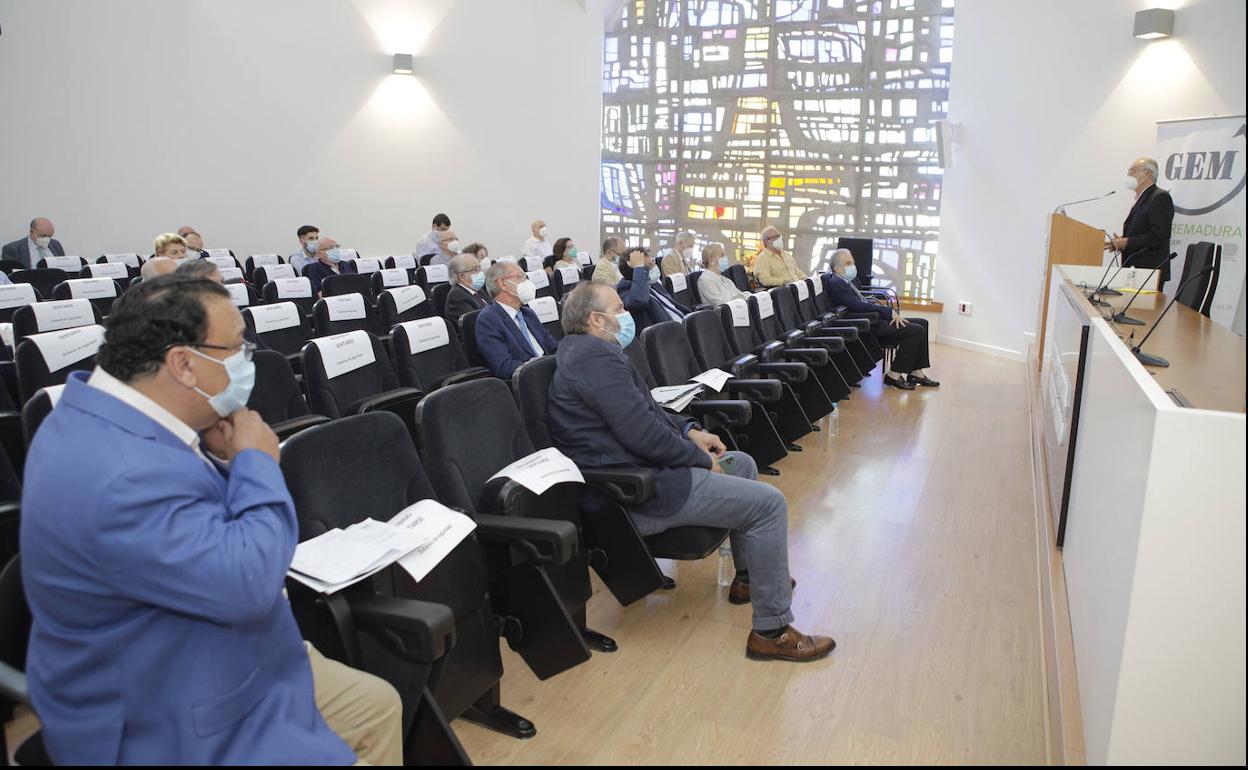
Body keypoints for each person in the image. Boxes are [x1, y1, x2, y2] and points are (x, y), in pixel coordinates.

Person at [20, 275, 402, 764]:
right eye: (237, 346)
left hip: (218, 644)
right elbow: (248, 583)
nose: (248, 360)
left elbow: (183, 515)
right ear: (183, 363)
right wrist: (257, 464)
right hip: (169, 709)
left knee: (374, 708)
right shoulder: (117, 474)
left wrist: (224, 462)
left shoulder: (119, 409)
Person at [547, 281, 836, 662]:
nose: (627, 313)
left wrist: (690, 431)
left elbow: (646, 409)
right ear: (595, 318)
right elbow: (643, 435)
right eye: (619, 308)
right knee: (769, 505)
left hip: (646, 472)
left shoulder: (591, 351)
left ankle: (750, 580)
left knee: (743, 464)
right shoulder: (595, 360)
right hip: (639, 491)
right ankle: (772, 630)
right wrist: (698, 459)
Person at [826, 249, 938, 390]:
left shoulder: (846, 281)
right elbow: (858, 307)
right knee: (916, 330)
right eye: (848, 263)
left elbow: (862, 303)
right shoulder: (837, 283)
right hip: (869, 325)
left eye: (852, 262)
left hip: (873, 319)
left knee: (923, 322)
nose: (853, 265)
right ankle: (894, 374)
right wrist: (888, 312)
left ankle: (917, 373)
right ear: (837, 268)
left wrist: (884, 312)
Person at [475, 261, 558, 378]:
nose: (527, 282)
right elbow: (505, 367)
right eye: (520, 277)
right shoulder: (488, 320)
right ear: (502, 283)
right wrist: (544, 368)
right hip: (530, 380)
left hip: (552, 371)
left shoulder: (527, 313)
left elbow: (552, 345)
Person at [1106, 157, 1176, 286]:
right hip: (1135, 270)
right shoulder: (1143, 198)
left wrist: (1127, 242)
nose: (1128, 175)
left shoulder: (1160, 197)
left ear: (1147, 174)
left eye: (1132, 171)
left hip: (1149, 271)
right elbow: (1142, 231)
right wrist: (1122, 242)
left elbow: (1159, 236)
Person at [616, 246, 690, 334]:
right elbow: (639, 301)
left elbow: (673, 307)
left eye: (653, 262)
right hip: (670, 336)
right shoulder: (625, 290)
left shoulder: (653, 283)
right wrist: (639, 268)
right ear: (637, 272)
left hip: (685, 325)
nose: (654, 266)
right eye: (649, 266)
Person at [444, 253, 490, 322]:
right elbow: (476, 323)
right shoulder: (456, 296)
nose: (481, 272)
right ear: (462, 276)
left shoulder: (478, 290)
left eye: (479, 267)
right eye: (475, 269)